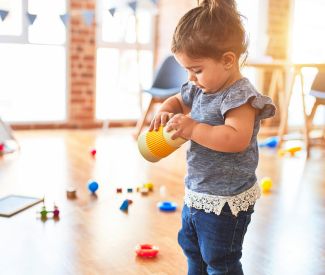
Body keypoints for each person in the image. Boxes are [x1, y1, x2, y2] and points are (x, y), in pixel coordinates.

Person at [148, 0, 276, 274]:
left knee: (220, 260)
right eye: (187, 70)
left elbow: (235, 138)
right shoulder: (200, 88)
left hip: (227, 201)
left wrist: (193, 129)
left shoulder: (239, 96)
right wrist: (165, 108)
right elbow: (178, 100)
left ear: (228, 60)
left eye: (196, 69)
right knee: (192, 249)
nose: (191, 78)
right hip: (198, 192)